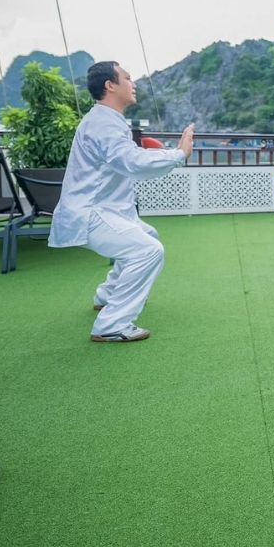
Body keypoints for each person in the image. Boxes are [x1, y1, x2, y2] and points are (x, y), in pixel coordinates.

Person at [50, 61, 194, 343]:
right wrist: (178, 154)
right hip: (90, 213)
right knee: (149, 251)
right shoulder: (103, 122)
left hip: (106, 210)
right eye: (128, 78)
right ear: (110, 85)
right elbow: (131, 161)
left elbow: (125, 159)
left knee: (146, 235)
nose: (134, 83)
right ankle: (112, 324)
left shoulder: (106, 120)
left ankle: (107, 296)